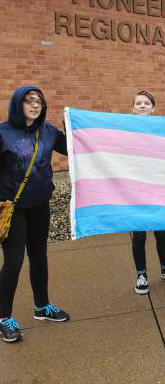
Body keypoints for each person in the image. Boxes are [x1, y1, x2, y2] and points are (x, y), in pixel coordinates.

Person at [0, 86, 69, 343]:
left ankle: (42, 307)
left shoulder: (49, 131)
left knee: (39, 257)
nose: (35, 105)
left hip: (40, 205)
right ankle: (3, 317)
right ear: (18, 104)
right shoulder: (3, 133)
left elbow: (73, 147)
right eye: (29, 101)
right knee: (14, 262)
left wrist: (70, 123)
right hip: (13, 208)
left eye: (39, 101)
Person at [130, 92, 165, 295]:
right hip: (135, 191)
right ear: (133, 109)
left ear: (153, 108)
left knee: (162, 231)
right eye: (138, 103)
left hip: (158, 189)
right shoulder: (126, 130)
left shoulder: (161, 130)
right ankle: (141, 275)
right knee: (139, 235)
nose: (142, 106)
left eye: (146, 103)